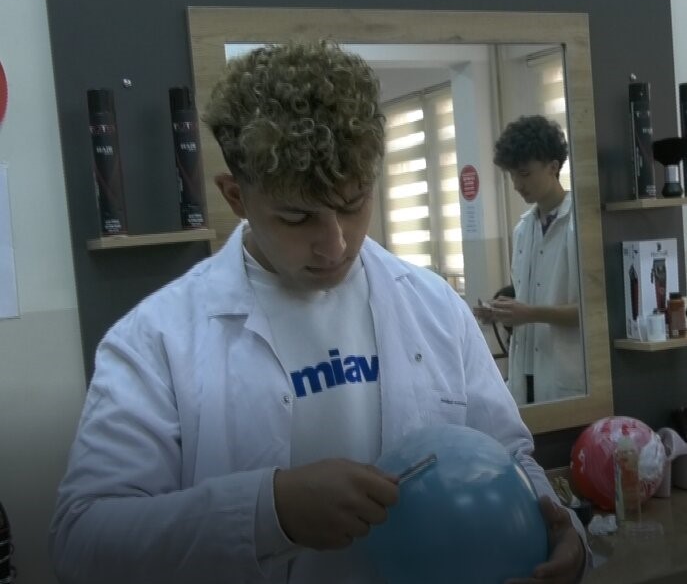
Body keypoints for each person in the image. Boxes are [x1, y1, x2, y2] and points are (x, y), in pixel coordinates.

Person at [50, 42, 588, 584]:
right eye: (296, 217)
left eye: (353, 205)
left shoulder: (433, 305)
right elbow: (82, 541)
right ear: (236, 196)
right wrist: (270, 512)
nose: (335, 245)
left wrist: (560, 528)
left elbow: (508, 453)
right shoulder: (156, 340)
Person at [475, 115, 584, 405]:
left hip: (567, 374)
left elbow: (592, 312)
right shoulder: (523, 230)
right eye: (512, 175)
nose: (516, 184)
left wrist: (530, 313)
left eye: (524, 174)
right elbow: (528, 297)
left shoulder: (580, 225)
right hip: (526, 371)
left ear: (553, 167)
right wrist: (502, 311)